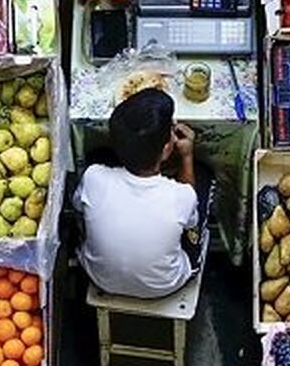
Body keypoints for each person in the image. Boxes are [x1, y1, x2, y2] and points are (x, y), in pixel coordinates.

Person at [74, 88, 213, 299]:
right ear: (167, 148)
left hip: (100, 277)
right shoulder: (181, 197)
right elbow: (190, 222)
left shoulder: (93, 177)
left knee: (95, 158)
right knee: (202, 176)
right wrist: (187, 156)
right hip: (164, 285)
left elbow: (78, 207)